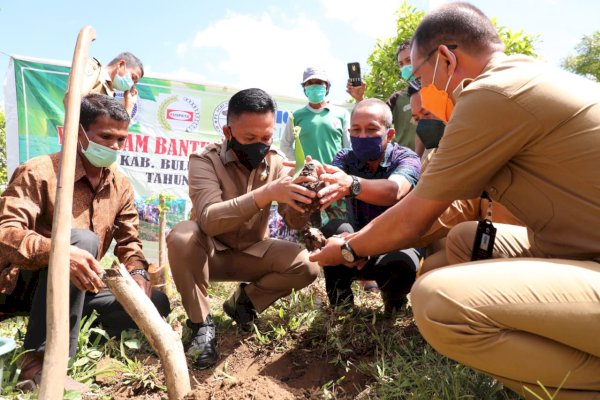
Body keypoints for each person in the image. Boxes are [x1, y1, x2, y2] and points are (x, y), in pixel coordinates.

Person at [310, 2, 600, 398]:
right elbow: (444, 211)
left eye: (419, 76)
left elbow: (414, 214)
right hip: (582, 252)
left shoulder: (491, 94)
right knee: (466, 239)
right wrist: (362, 244)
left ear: (446, 59)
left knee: (437, 302)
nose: (420, 95)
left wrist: (347, 249)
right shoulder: (523, 77)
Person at [0, 93, 170, 391]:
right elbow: (5, 232)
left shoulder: (120, 185)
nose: (114, 147)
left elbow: (130, 244)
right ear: (78, 132)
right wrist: (56, 251)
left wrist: (138, 276)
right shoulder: (40, 171)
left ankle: (75, 333)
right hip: (20, 286)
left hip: (76, 289)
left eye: (121, 140)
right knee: (81, 240)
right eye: (106, 137)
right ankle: (37, 364)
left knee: (157, 302)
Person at [167, 88, 320, 370]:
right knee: (182, 235)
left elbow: (293, 221)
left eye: (266, 137)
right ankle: (200, 324)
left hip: (251, 253)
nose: (259, 145)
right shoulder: (204, 160)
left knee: (307, 265)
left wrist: (306, 197)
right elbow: (209, 219)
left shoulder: (276, 163)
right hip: (207, 255)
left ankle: (245, 302)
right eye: (249, 138)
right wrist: (266, 193)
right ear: (228, 131)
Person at [316, 98, 421, 313]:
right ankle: (341, 307)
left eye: (371, 129)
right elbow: (330, 185)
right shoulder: (345, 158)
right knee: (334, 230)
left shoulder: (406, 158)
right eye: (356, 130)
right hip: (355, 248)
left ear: (389, 134)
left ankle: (394, 303)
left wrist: (352, 184)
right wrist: (314, 178)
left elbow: (395, 191)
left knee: (399, 263)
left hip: (394, 242)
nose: (362, 136)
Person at [346, 41, 424, 156]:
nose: (405, 67)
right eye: (401, 64)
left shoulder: (442, 88)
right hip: (407, 163)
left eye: (409, 60)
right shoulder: (397, 98)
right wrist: (359, 98)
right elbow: (373, 120)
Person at [65, 52, 144, 116]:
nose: (131, 84)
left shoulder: (110, 93)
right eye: (133, 77)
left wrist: (129, 104)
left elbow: (116, 129)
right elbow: (73, 99)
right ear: (120, 65)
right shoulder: (93, 68)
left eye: (134, 83)